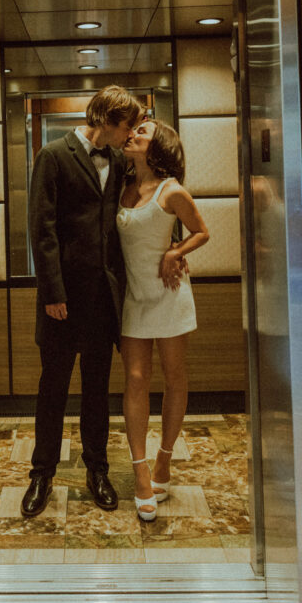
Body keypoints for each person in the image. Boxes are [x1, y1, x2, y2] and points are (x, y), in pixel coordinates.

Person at [20, 85, 144, 518]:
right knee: (52, 388)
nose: (130, 135)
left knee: (97, 389)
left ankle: (98, 471)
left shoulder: (117, 160)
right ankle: (42, 473)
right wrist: (52, 292)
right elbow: (42, 228)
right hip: (62, 297)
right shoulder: (52, 155)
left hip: (103, 299)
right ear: (107, 119)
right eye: (127, 125)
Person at [117, 119, 209, 521]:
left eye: (143, 132)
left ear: (159, 146)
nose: (134, 134)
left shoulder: (172, 190)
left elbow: (202, 231)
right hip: (133, 297)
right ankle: (139, 472)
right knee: (136, 379)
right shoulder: (120, 186)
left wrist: (175, 253)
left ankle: (164, 461)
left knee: (175, 377)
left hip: (169, 294)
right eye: (134, 129)